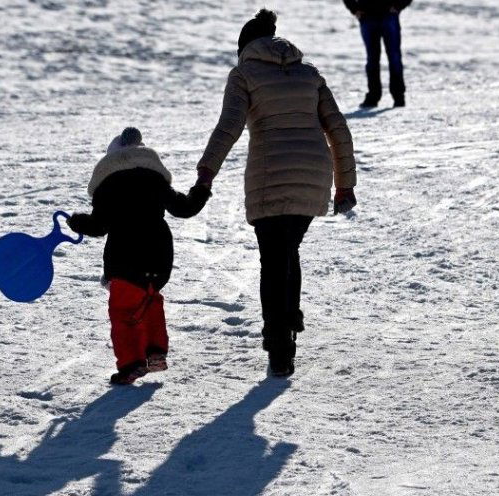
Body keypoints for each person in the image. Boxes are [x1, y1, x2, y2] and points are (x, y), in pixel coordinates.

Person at [194, 8, 358, 377]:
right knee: (288, 248)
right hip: (313, 173)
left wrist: (206, 175)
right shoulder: (309, 74)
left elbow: (228, 127)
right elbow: (339, 129)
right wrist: (344, 184)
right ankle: (291, 315)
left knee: (274, 257)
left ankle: (279, 345)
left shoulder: (244, 74)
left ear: (245, 47)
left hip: (271, 174)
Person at [68, 128, 211, 385]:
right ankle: (155, 352)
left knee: (122, 312)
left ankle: (131, 363)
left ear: (110, 160)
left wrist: (77, 222)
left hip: (125, 258)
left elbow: (99, 226)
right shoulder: (154, 180)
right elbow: (184, 208)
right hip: (158, 257)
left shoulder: (108, 186)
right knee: (150, 301)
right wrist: (201, 188)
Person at [344, 0, 412, 108]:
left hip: (389, 16)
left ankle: (399, 97)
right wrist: (354, 8)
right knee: (372, 60)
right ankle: (373, 97)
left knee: (394, 58)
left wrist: (399, 5)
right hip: (367, 17)